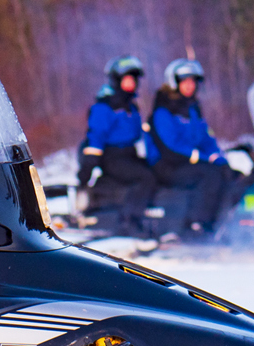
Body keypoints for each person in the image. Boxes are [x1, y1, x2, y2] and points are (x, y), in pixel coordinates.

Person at [148, 58, 236, 238]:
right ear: (175, 82)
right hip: (167, 165)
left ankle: (225, 224)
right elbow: (171, 147)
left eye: (193, 82)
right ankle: (197, 224)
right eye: (185, 82)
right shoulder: (164, 111)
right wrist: (202, 158)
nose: (190, 86)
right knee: (209, 174)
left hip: (187, 162)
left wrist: (218, 158)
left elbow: (205, 138)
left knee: (227, 173)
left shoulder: (193, 110)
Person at [78, 55, 157, 236]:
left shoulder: (131, 107)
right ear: (116, 80)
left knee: (155, 172)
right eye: (126, 80)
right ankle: (129, 221)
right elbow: (96, 136)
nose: (131, 84)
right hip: (111, 157)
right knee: (145, 177)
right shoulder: (105, 106)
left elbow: (138, 134)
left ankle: (149, 216)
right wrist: (87, 168)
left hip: (129, 154)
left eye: (133, 80)